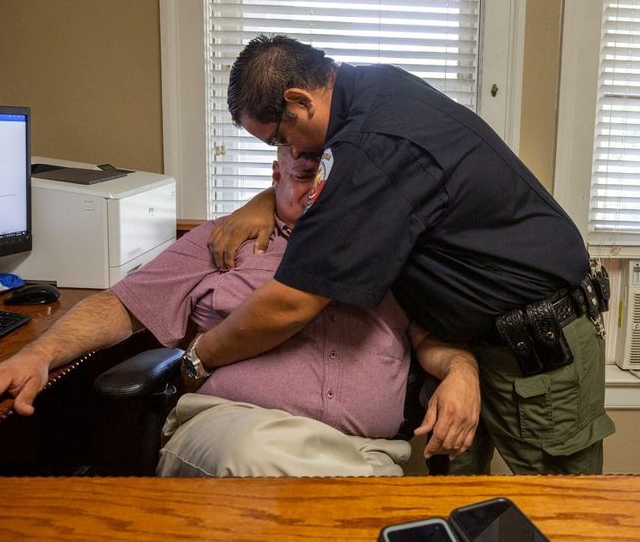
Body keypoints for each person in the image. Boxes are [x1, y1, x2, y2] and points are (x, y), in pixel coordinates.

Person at [200, 34, 615, 475]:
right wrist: (266, 198)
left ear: (300, 102)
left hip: (538, 350)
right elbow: (343, 193)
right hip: (468, 345)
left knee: (559, 505)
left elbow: (292, 302)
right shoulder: (377, 89)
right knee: (458, 501)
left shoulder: (372, 144)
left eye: (278, 137)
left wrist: (200, 356)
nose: (289, 150)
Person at [0, 146, 479, 477]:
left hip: (367, 453)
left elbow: (430, 337)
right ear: (275, 174)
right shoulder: (227, 240)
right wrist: (39, 353)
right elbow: (120, 305)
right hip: (234, 432)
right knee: (256, 455)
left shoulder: (391, 253)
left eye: (331, 180)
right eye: (303, 174)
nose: (317, 191)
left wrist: (462, 371)